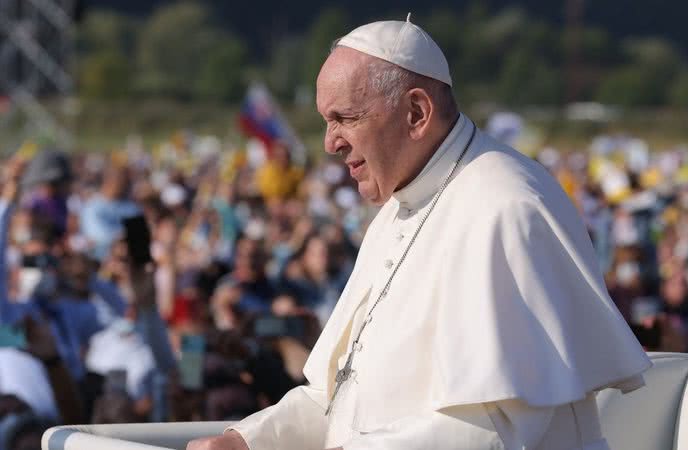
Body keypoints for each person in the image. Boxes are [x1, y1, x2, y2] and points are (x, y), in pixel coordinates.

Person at [188, 16, 650, 450]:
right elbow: (342, 395)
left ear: (415, 112)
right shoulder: (398, 207)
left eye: (344, 118)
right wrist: (248, 440)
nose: (330, 143)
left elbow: (492, 431)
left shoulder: (505, 207)